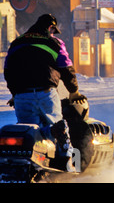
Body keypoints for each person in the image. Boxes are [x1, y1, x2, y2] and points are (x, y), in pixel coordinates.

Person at [4, 14, 85, 172]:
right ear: (50, 27)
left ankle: (33, 162)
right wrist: (74, 91)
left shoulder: (16, 43)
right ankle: (67, 161)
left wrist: (15, 94)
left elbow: (8, 71)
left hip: (21, 95)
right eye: (54, 30)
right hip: (45, 92)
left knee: (31, 130)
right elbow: (66, 69)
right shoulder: (54, 43)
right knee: (56, 124)